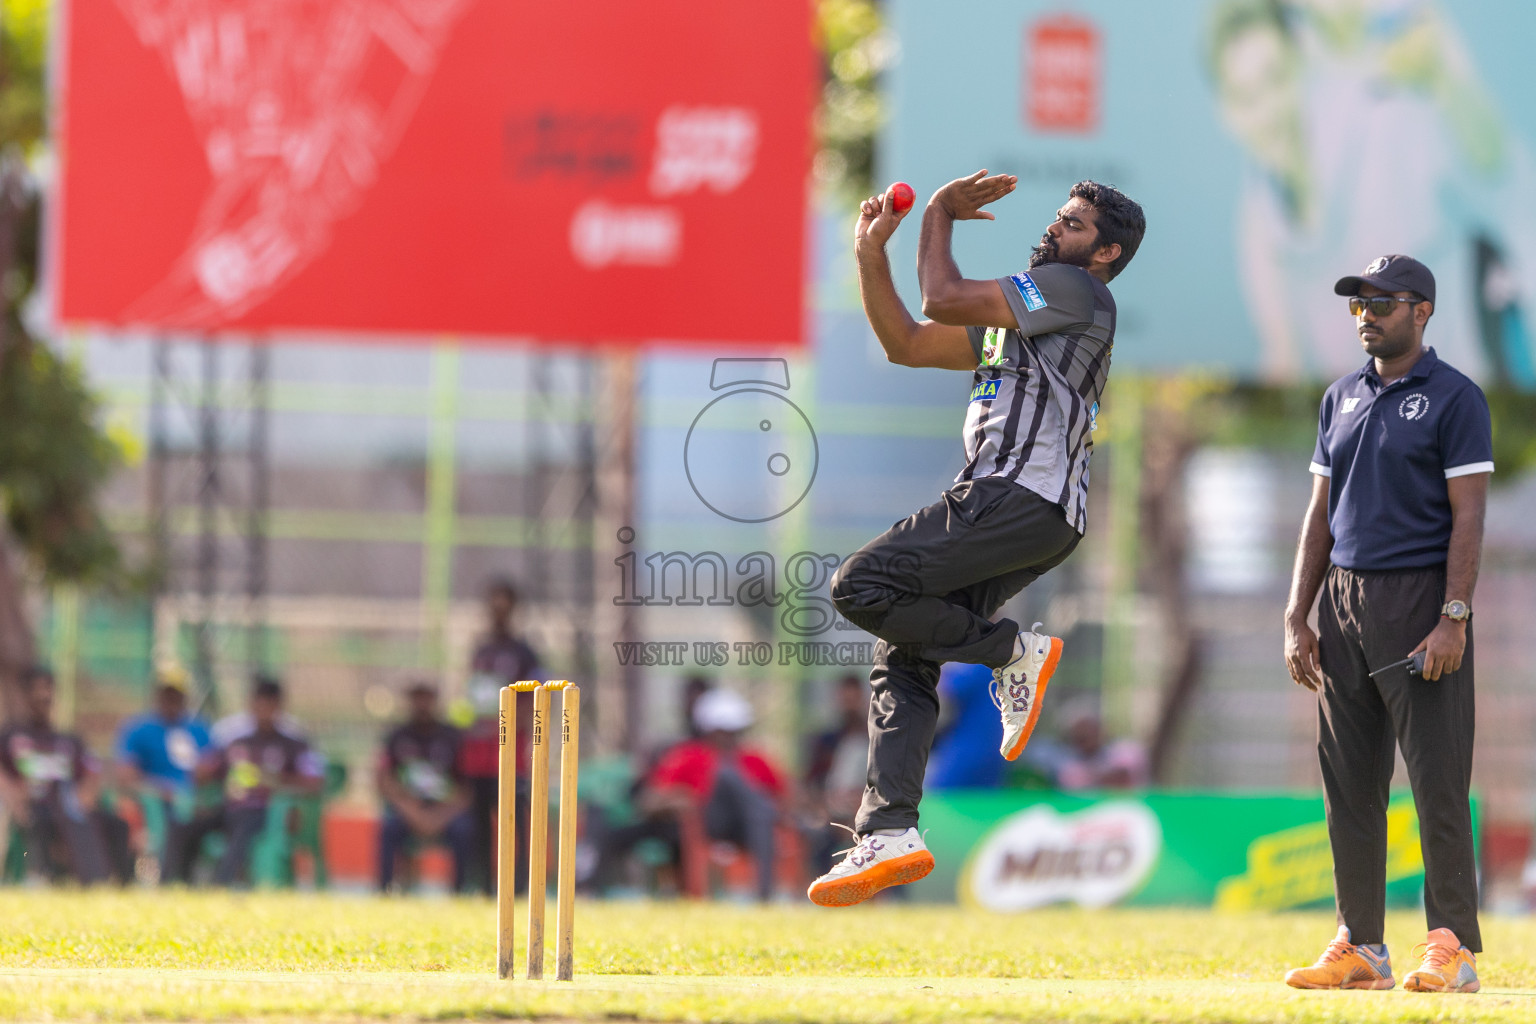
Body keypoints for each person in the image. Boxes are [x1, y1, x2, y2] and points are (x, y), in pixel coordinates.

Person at [814, 172, 1145, 906]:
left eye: (1075, 225)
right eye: (1059, 218)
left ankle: (1009, 651)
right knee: (903, 649)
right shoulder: (1021, 316)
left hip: (1019, 499)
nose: (1055, 230)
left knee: (861, 586)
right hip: (1022, 511)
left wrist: (937, 213)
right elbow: (905, 341)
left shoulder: (1077, 292)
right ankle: (891, 827)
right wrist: (872, 256)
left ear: (1105, 253)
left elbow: (938, 296)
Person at [1283, 255, 1490, 994]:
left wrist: (1453, 616)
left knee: (1437, 779)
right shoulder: (1340, 396)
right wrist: (1297, 614)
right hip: (1341, 605)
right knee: (1349, 784)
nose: (1367, 315)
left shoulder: (1455, 398)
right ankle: (1361, 945)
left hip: (1418, 603)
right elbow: (1320, 514)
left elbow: (1469, 516)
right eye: (1358, 304)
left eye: (1382, 302)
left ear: (1421, 310)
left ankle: (1453, 944)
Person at [595, 689, 786, 902]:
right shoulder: (688, 756)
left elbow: (784, 799)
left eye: (735, 731)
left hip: (748, 826)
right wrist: (683, 799)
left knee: (758, 809)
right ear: (709, 730)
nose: (730, 737)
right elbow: (650, 800)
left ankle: (765, 894)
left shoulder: (754, 759)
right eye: (723, 731)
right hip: (707, 821)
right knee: (727, 776)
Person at [195, 677, 324, 887]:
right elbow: (206, 771)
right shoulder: (236, 739)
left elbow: (315, 782)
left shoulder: (295, 742)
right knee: (185, 826)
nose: (263, 711)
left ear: (279, 706)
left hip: (269, 813)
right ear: (251, 704)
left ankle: (221, 885)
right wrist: (204, 772)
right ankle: (171, 883)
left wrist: (276, 782)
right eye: (259, 705)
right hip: (230, 809)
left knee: (245, 826)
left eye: (269, 706)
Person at [460, 577, 540, 896]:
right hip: (480, 750)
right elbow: (473, 695)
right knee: (479, 819)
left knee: (514, 819)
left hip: (510, 750)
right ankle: (481, 885)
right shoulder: (481, 650)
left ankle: (518, 886)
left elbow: (535, 697)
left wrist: (510, 723)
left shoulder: (525, 652)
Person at [0, 666, 112, 883]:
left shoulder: (69, 739)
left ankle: (111, 880)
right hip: (30, 804)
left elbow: (92, 770)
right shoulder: (9, 736)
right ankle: (38, 876)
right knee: (39, 820)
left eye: (48, 689)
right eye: (37, 690)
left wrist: (86, 794)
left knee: (116, 823)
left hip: (69, 806)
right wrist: (12, 794)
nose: (44, 695)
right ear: (24, 695)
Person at [114, 665, 215, 882]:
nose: (171, 700)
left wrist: (194, 788)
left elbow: (212, 769)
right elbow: (125, 773)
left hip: (196, 803)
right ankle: (165, 876)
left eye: (176, 694)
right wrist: (161, 790)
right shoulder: (139, 729)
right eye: (166, 694)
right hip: (156, 804)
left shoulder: (199, 730)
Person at [377, 681, 472, 892]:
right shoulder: (397, 737)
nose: (421, 704)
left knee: (465, 830)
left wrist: (438, 816)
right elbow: (385, 780)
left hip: (445, 811)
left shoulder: (452, 737)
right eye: (416, 698)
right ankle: (385, 890)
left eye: (426, 698)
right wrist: (413, 812)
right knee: (388, 828)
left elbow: (466, 788)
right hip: (408, 810)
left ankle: (461, 890)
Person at [802, 674, 870, 875]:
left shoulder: (874, 738)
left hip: (868, 808)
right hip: (832, 810)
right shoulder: (826, 740)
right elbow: (811, 783)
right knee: (818, 837)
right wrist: (826, 811)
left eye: (854, 699)